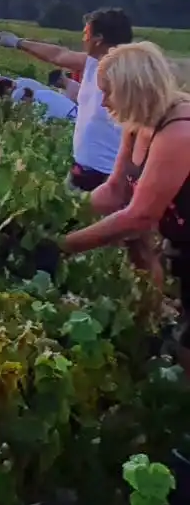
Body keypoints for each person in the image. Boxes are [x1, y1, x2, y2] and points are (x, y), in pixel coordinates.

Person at [61, 42, 190, 372]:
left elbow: (139, 217)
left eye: (109, 93)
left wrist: (63, 246)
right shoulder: (139, 124)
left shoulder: (180, 132)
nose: (103, 102)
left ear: (133, 90)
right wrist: (58, 215)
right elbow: (114, 191)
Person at [0, 8, 131, 191]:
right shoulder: (91, 63)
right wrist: (17, 42)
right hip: (82, 167)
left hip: (110, 176)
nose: (84, 39)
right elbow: (57, 55)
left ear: (98, 39)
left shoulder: (130, 75)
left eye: (86, 34)